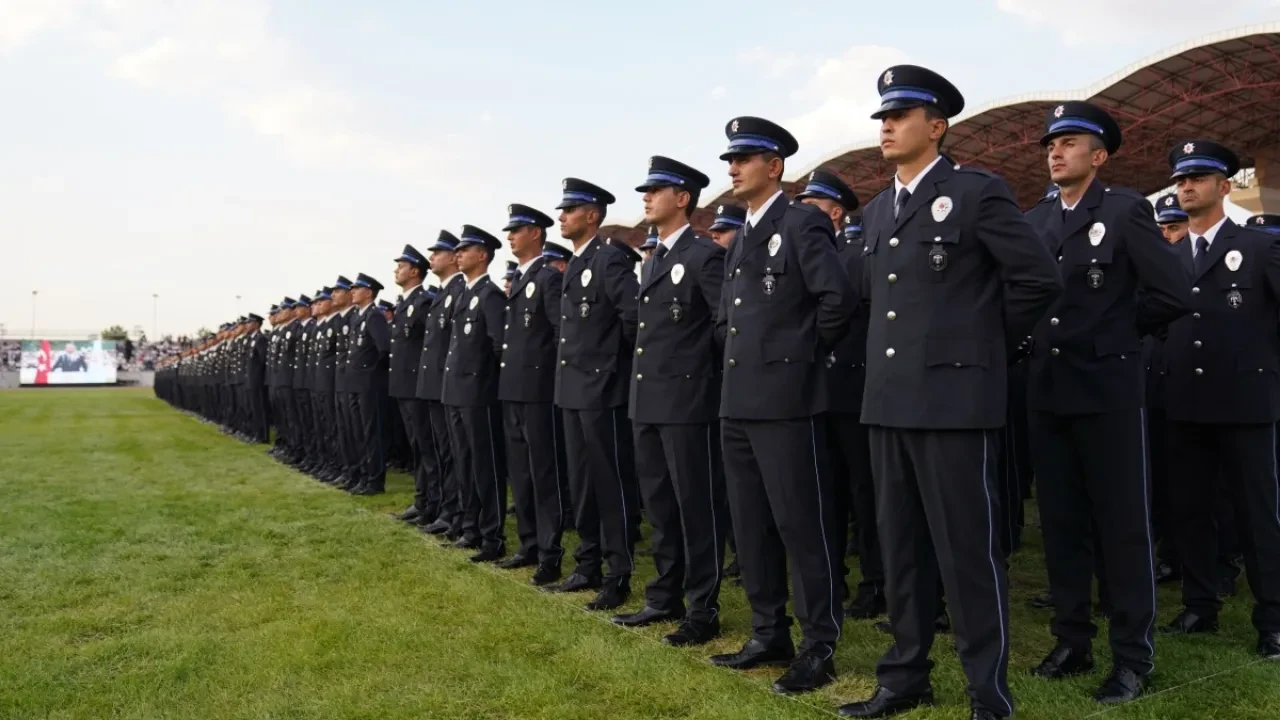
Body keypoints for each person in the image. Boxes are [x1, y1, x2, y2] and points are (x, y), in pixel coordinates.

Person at [839, 66, 1061, 720]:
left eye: (899, 116)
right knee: (901, 549)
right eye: (881, 116)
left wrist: (980, 349)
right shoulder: (878, 210)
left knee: (967, 553)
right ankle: (904, 676)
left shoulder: (976, 193)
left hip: (954, 405)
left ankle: (987, 692)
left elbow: (1037, 281)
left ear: (935, 126)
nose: (884, 126)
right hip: (888, 402)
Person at [1022, 102, 1190, 704]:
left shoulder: (1123, 210)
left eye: (1070, 141)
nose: (1055, 150)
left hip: (1108, 390)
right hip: (1048, 390)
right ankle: (1072, 639)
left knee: (1122, 526)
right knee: (1062, 524)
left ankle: (1131, 656)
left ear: (1099, 154)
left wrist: (1116, 333)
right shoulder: (1036, 219)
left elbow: (1171, 291)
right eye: (1051, 142)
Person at [709, 116, 852, 695]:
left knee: (801, 526)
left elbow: (836, 300)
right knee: (751, 526)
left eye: (744, 159)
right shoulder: (742, 232)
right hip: (738, 400)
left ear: (775, 166)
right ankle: (769, 630)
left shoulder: (801, 223)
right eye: (730, 160)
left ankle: (820, 645)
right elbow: (728, 315)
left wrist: (795, 362)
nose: (733, 168)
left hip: (787, 401)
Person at [1160, 140, 1280, 663]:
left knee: (1258, 516)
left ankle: (1273, 619)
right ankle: (1199, 604)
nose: (1186, 187)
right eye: (1181, 180)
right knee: (1190, 511)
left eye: (1199, 179)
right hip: (1185, 403)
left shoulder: (1258, 247)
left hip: (1246, 403)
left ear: (1225, 186)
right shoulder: (1166, 256)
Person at [613, 156, 727, 647]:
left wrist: (706, 382)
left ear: (682, 199)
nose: (646, 197)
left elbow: (723, 327)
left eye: (655, 190)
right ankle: (664, 595)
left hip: (687, 400)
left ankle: (703, 607)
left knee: (695, 506)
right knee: (660, 504)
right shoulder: (654, 258)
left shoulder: (704, 255)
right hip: (649, 399)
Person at [547, 177, 641, 613]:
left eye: (568, 209)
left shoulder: (608, 262)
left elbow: (634, 321)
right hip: (572, 391)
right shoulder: (575, 265)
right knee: (582, 485)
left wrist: (610, 371)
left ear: (592, 214)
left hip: (602, 392)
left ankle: (617, 573)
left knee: (610, 484)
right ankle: (588, 564)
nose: (560, 217)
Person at [794, 170, 885, 622]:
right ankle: (833, 578)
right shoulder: (795, 252)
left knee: (864, 495)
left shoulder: (855, 255)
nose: (801, 211)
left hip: (852, 390)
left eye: (812, 205)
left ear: (835, 212)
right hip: (813, 393)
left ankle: (875, 582)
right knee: (823, 496)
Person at [497, 204, 567, 585]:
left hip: (538, 390)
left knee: (543, 474)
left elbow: (558, 334)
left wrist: (552, 383)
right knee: (521, 473)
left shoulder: (547, 277)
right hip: (513, 389)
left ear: (536, 234)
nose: (510, 236)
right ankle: (528, 544)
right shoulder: (522, 278)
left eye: (516, 230)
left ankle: (550, 552)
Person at [440, 225, 509, 562]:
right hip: (456, 391)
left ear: (482, 255)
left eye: (465, 249)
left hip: (479, 394)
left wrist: (490, 389)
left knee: (485, 465)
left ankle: (492, 536)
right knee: (464, 462)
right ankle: (471, 528)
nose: (458, 254)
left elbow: (499, 349)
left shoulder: (491, 295)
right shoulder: (465, 294)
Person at [1146, 195, 1192, 587]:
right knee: (1164, 476)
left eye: (1175, 226)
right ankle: (1169, 554)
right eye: (1163, 227)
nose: (1167, 234)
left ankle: (1218, 561)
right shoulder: (1152, 265)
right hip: (1160, 384)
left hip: (1208, 386)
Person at [416, 232, 468, 538]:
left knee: (453, 453)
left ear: (452, 258)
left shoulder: (460, 289)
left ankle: (455, 513)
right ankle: (446, 509)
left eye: (438, 252)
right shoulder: (442, 293)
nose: (432, 257)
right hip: (436, 383)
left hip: (450, 384)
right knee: (440, 450)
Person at [388, 244, 437, 527]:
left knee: (426, 447)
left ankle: (430, 504)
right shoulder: (405, 303)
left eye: (401, 266)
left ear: (415, 271)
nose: (397, 270)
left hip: (417, 385)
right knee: (416, 447)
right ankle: (421, 500)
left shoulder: (424, 302)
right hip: (403, 386)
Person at [346, 273, 391, 495]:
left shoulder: (374, 316)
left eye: (357, 288)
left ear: (369, 292)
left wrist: (370, 373)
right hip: (355, 383)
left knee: (371, 433)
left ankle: (375, 480)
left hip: (369, 384)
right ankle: (364, 475)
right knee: (359, 432)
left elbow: (384, 350)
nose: (352, 291)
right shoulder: (357, 317)